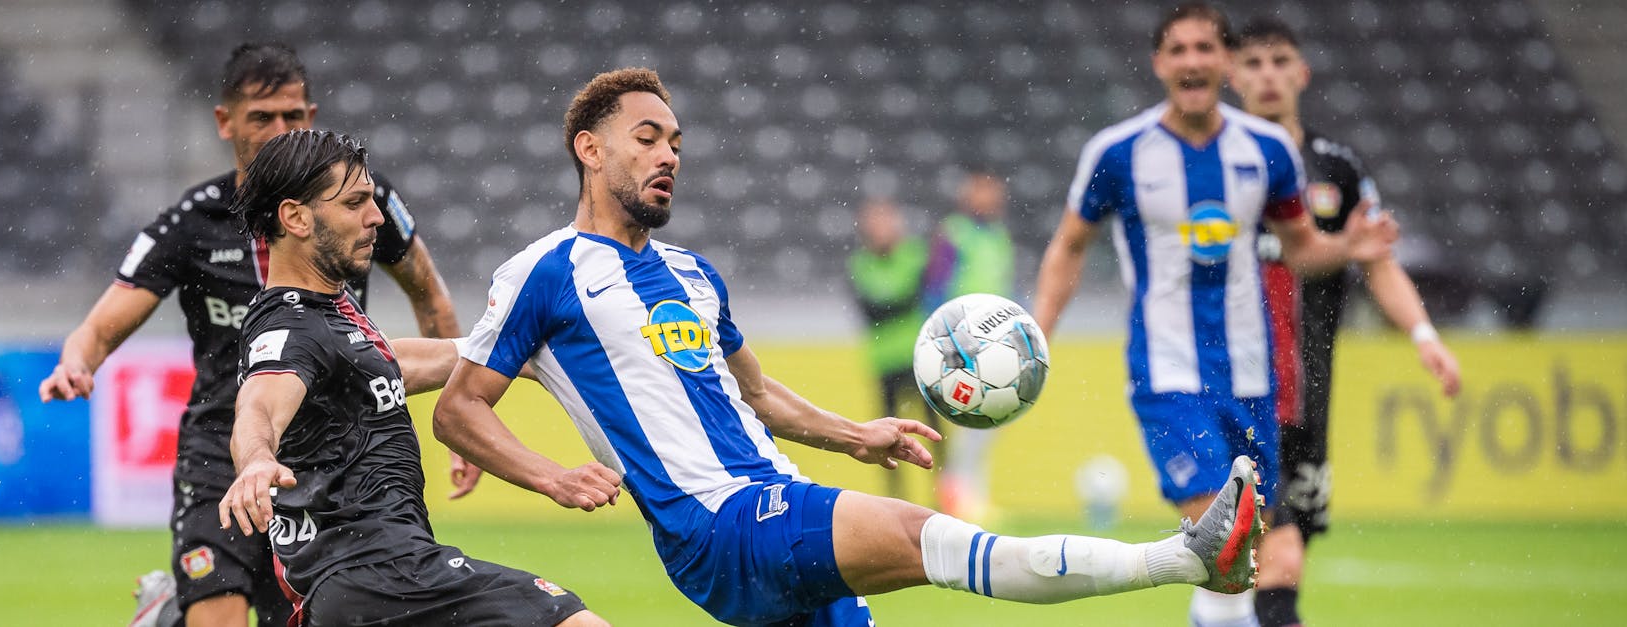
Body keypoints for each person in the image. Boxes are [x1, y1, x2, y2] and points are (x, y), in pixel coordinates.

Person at [432, 67, 1266, 627]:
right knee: (926, 538)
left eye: (676, 143)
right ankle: (1185, 555)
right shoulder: (546, 271)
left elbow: (757, 394)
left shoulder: (692, 273)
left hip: (771, 495)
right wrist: (548, 474)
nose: (668, 156)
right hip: (718, 524)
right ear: (590, 148)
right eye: (647, 137)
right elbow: (462, 408)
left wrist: (856, 434)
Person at [35, 43, 468, 627]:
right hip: (224, 446)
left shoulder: (360, 203)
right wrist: (76, 361)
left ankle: (169, 618)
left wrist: (462, 417)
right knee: (222, 612)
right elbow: (100, 326)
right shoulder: (193, 222)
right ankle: (181, 610)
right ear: (225, 122)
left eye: (292, 116)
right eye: (262, 117)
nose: (279, 130)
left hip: (334, 455)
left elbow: (430, 297)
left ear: (311, 116)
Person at [1029, 4, 1401, 626]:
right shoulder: (1119, 153)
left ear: (1225, 62)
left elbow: (1303, 249)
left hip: (1255, 378)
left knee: (1248, 554)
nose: (1193, 61)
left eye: (1205, 48)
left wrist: (1349, 249)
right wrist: (1038, 334)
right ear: (1159, 64)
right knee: (1224, 532)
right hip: (1169, 373)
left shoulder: (1268, 151)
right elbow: (1070, 244)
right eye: (1178, 50)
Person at [219, 129, 604, 627]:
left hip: (358, 590)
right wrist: (255, 460)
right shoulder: (290, 328)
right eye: (356, 202)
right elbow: (261, 404)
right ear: (295, 217)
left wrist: (498, 355)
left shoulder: (323, 309)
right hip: (383, 573)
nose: (376, 216)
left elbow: (382, 361)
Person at [1230, 17, 1463, 627]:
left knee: (1278, 562)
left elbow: (1377, 261)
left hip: (1307, 396)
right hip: (1231, 392)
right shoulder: (1214, 167)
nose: (1268, 75)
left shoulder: (1336, 167)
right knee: (1260, 561)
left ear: (1302, 73)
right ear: (1232, 76)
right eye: (1252, 63)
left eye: (1280, 61)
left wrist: (1423, 335)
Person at [919, 171, 1016, 523]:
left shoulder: (998, 235)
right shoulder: (954, 233)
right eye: (984, 190)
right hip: (962, 344)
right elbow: (935, 287)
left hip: (996, 344)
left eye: (995, 190)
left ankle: (975, 494)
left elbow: (1004, 285)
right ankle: (958, 495)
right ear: (969, 193)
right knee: (968, 419)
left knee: (991, 418)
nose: (992, 197)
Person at [845, 196, 930, 502]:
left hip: (919, 358)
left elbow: (910, 297)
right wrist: (898, 300)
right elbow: (873, 309)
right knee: (887, 438)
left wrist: (890, 302)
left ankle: (943, 497)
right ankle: (897, 501)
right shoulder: (861, 262)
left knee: (936, 433)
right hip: (884, 361)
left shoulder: (913, 254)